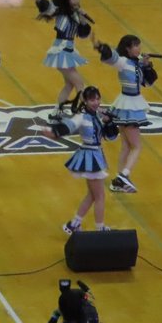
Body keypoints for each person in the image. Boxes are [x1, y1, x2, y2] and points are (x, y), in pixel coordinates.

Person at [45, 86, 119, 234]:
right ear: (85, 101)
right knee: (100, 196)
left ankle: (74, 224)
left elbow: (110, 137)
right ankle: (100, 228)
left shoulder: (96, 114)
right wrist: (54, 132)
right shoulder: (81, 116)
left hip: (94, 155)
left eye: (98, 99)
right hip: (91, 157)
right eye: (92, 100)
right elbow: (68, 126)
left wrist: (108, 121)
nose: (96, 102)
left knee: (92, 195)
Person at [90, 31, 156, 194]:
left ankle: (118, 181)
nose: (139, 48)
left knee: (126, 146)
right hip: (130, 106)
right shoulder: (123, 62)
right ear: (127, 48)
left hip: (125, 105)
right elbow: (112, 57)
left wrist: (147, 65)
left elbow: (148, 83)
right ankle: (124, 175)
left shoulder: (136, 64)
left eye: (139, 45)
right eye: (135, 46)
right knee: (137, 147)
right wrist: (101, 47)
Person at [30, 0, 93, 113]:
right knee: (79, 83)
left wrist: (82, 17)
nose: (76, 1)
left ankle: (57, 112)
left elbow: (83, 34)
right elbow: (49, 8)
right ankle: (86, 111)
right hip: (61, 51)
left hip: (68, 50)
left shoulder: (76, 14)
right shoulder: (60, 12)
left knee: (69, 84)